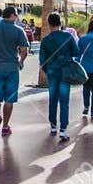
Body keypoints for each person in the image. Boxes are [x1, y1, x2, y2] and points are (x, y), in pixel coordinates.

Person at [0, 5, 30, 137]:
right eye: (17, 15)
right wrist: (20, 61)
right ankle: (5, 126)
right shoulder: (18, 30)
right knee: (9, 99)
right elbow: (24, 50)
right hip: (12, 68)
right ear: (13, 15)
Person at [38, 11, 78, 140]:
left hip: (52, 71)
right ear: (60, 23)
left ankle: (53, 125)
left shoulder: (46, 40)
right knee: (64, 100)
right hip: (65, 71)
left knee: (53, 99)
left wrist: (47, 69)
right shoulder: (68, 37)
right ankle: (63, 129)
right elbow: (76, 52)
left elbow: (42, 59)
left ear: (49, 23)